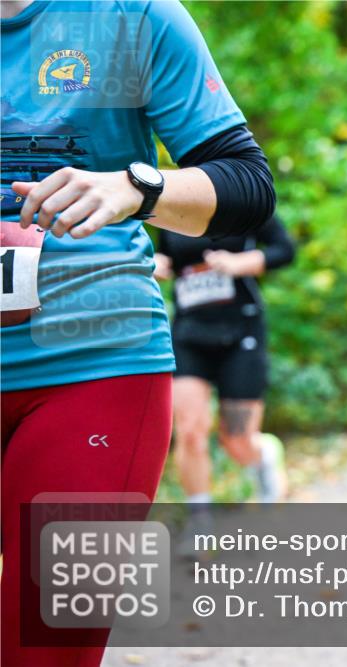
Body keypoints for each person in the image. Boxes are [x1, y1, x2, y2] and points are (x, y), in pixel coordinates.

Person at [1, 1, 275, 665]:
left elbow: (247, 183)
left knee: (44, 649)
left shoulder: (134, 17)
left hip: (95, 373)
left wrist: (138, 189)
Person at [153, 213, 294, 526]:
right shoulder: (173, 209)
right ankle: (200, 524)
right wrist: (158, 264)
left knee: (237, 440)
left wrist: (240, 263)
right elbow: (171, 260)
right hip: (190, 334)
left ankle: (265, 456)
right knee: (188, 430)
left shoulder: (247, 200)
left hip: (241, 331)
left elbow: (285, 250)